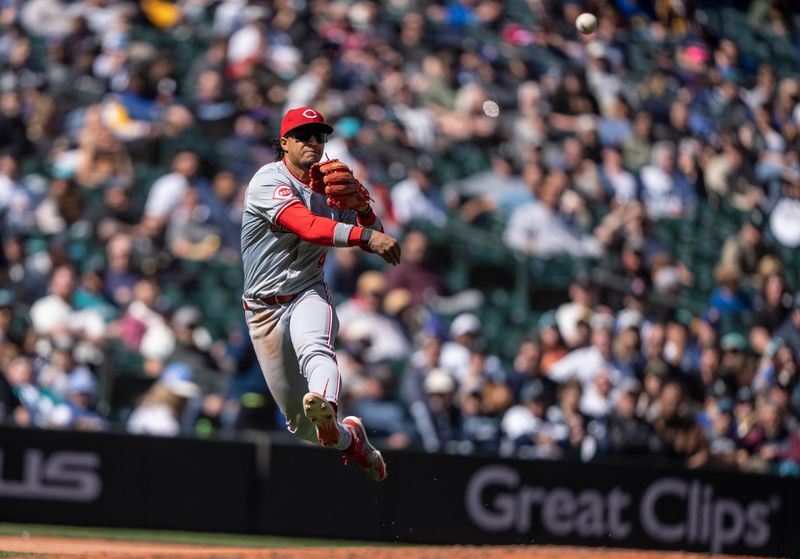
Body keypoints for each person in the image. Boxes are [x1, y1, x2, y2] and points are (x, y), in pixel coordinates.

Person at [240, 107, 401, 481]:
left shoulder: (329, 186)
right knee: (300, 425)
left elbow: (371, 228)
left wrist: (363, 210)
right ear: (283, 143)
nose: (314, 141)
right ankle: (351, 440)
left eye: (319, 135)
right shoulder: (267, 179)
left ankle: (325, 403)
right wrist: (367, 234)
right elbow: (309, 227)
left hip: (307, 292)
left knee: (317, 349)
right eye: (303, 135)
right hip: (262, 310)